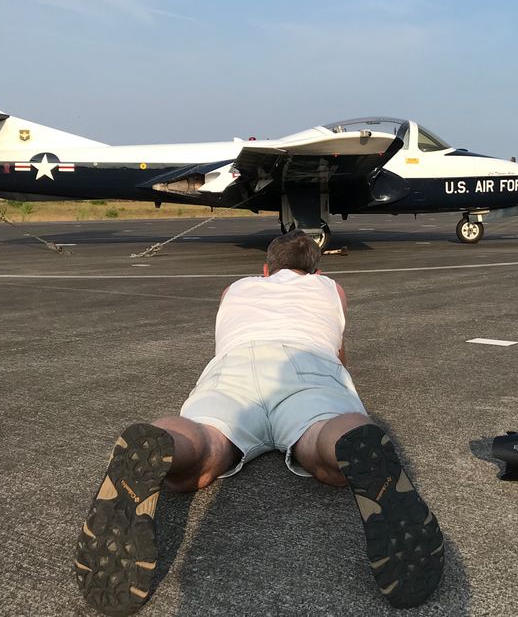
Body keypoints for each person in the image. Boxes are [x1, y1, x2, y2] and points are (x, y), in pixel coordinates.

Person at [74, 230, 443, 615]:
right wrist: (339, 392)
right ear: (316, 270)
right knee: (326, 451)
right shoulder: (330, 288)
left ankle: (164, 439)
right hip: (305, 367)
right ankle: (350, 435)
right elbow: (337, 349)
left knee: (196, 458)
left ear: (266, 269)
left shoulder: (236, 288)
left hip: (234, 368)